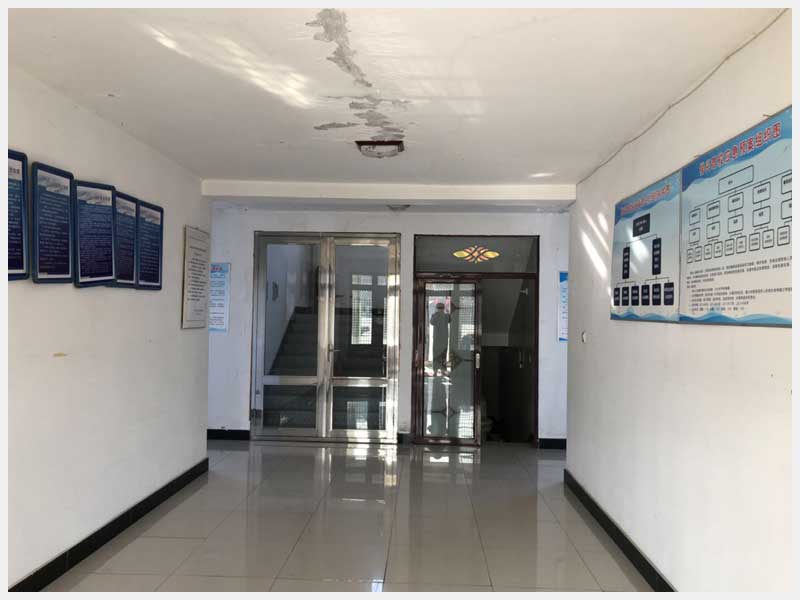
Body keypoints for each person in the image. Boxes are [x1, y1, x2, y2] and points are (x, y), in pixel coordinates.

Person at [429, 302, 450, 373]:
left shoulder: (434, 315)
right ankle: (443, 370)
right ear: (443, 308)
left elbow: (431, 322)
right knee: (443, 353)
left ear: (436, 308)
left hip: (437, 338)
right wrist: (447, 311)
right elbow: (450, 320)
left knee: (435, 353)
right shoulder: (446, 315)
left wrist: (435, 314)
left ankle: (435, 370)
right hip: (444, 337)